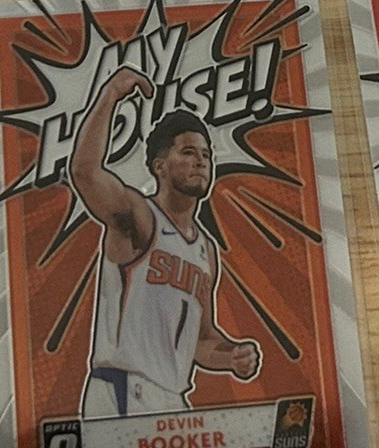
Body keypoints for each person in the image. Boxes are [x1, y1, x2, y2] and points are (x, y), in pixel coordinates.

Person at [68, 67, 261, 417]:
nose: (200, 161)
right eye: (187, 152)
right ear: (160, 166)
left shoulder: (206, 250)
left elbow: (201, 340)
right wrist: (111, 94)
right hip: (124, 388)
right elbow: (85, 172)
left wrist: (231, 355)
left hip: (172, 397)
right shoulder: (140, 216)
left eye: (206, 154)